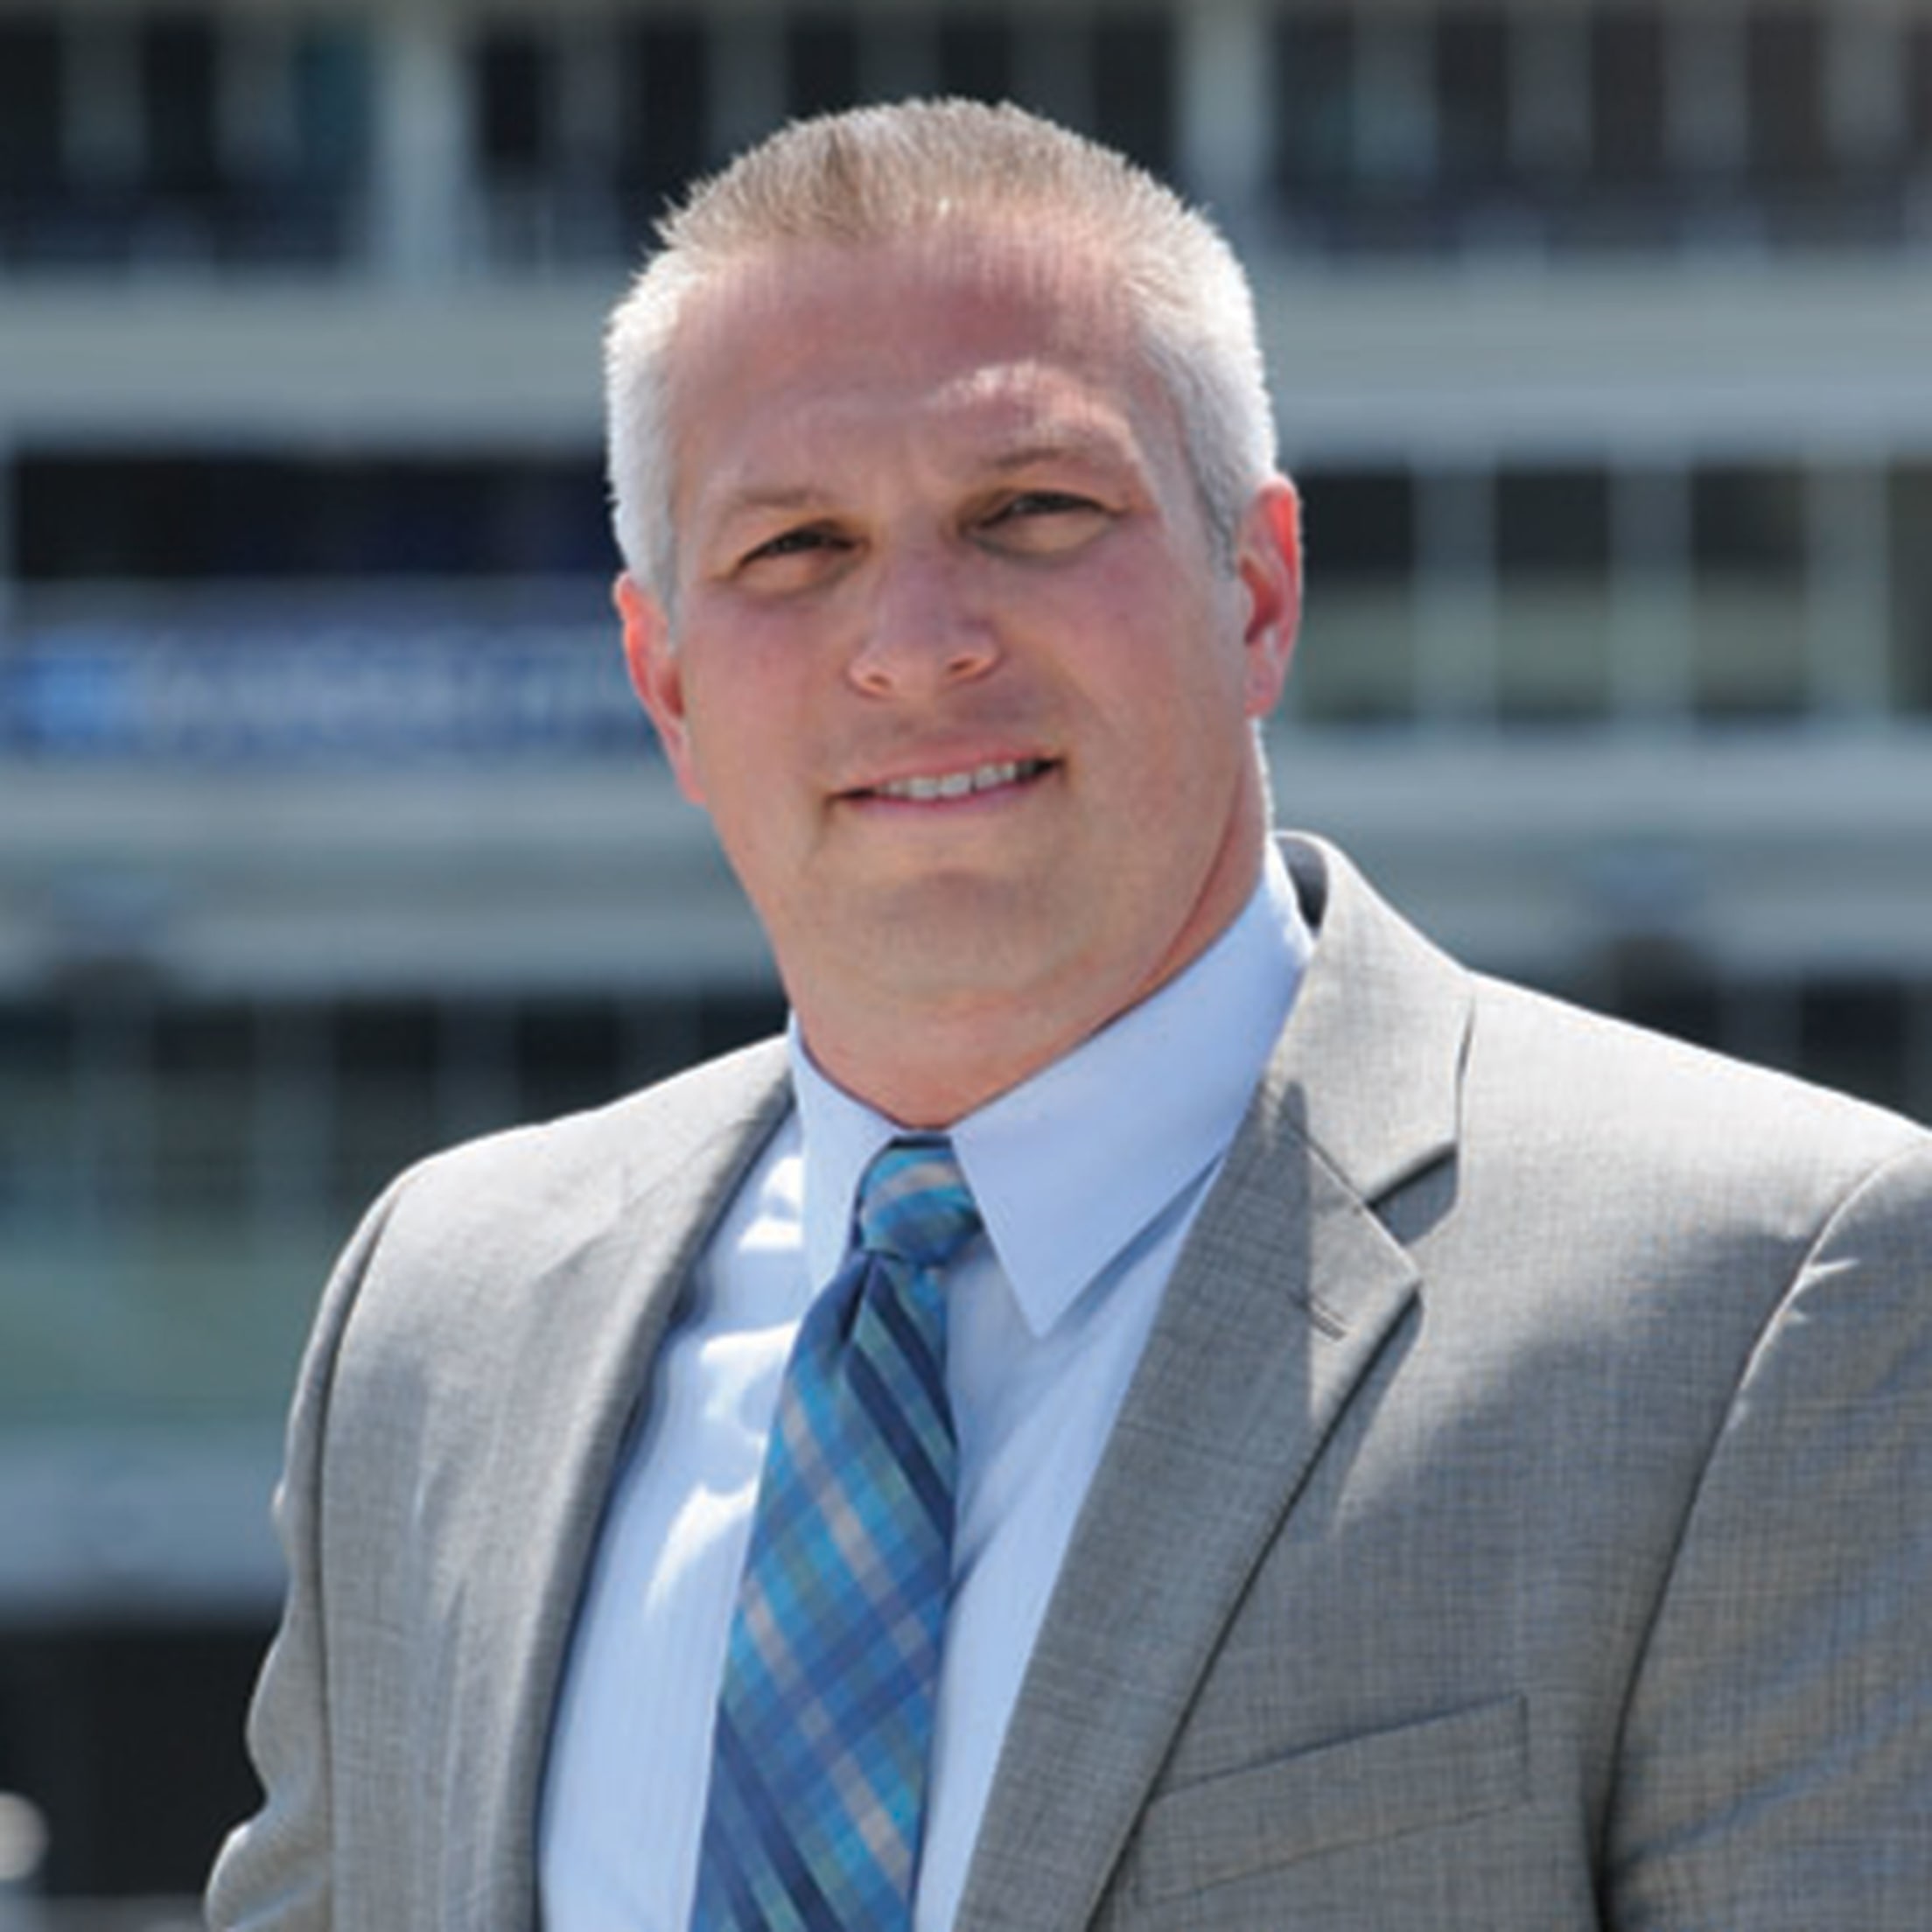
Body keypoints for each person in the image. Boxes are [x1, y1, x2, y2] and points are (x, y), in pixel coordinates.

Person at [207, 99, 1932, 1931]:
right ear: (669, 686)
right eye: (794, 548)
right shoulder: (438, 1319)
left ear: (1256, 590)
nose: (922, 639)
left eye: (1032, 508)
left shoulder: (1773, 1296)